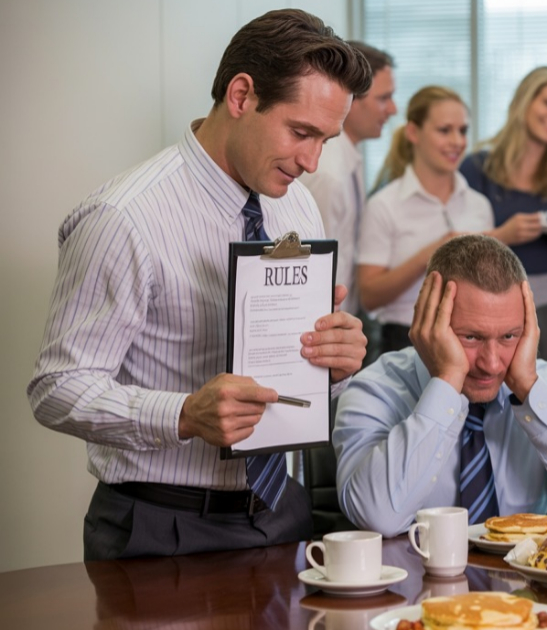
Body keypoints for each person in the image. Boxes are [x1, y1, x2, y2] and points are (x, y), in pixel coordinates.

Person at [27, 9, 372, 560]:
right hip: (160, 526)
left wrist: (332, 363)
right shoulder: (124, 218)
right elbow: (55, 389)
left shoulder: (299, 207)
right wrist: (184, 414)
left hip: (282, 510)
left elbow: (291, 373)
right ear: (241, 96)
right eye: (301, 132)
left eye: (325, 140)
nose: (311, 161)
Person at [334, 235, 547, 535]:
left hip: (518, 587)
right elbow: (378, 517)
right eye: (471, 337)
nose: (492, 363)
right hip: (414, 584)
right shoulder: (374, 390)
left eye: (509, 336)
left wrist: (529, 389)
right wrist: (446, 385)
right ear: (429, 322)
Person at [459, 67, 547, 383]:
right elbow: (454, 247)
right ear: (524, 102)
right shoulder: (476, 168)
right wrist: (504, 236)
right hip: (484, 309)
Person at [358, 86, 507, 353]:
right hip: (404, 342)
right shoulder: (384, 205)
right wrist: (436, 252)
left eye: (462, 131)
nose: (457, 141)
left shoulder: (479, 205)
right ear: (414, 132)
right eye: (444, 130)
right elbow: (369, 297)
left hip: (471, 344)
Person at [298, 41, 397, 318]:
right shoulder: (326, 171)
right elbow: (312, 264)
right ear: (351, 99)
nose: (393, 109)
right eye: (383, 98)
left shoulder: (350, 156)